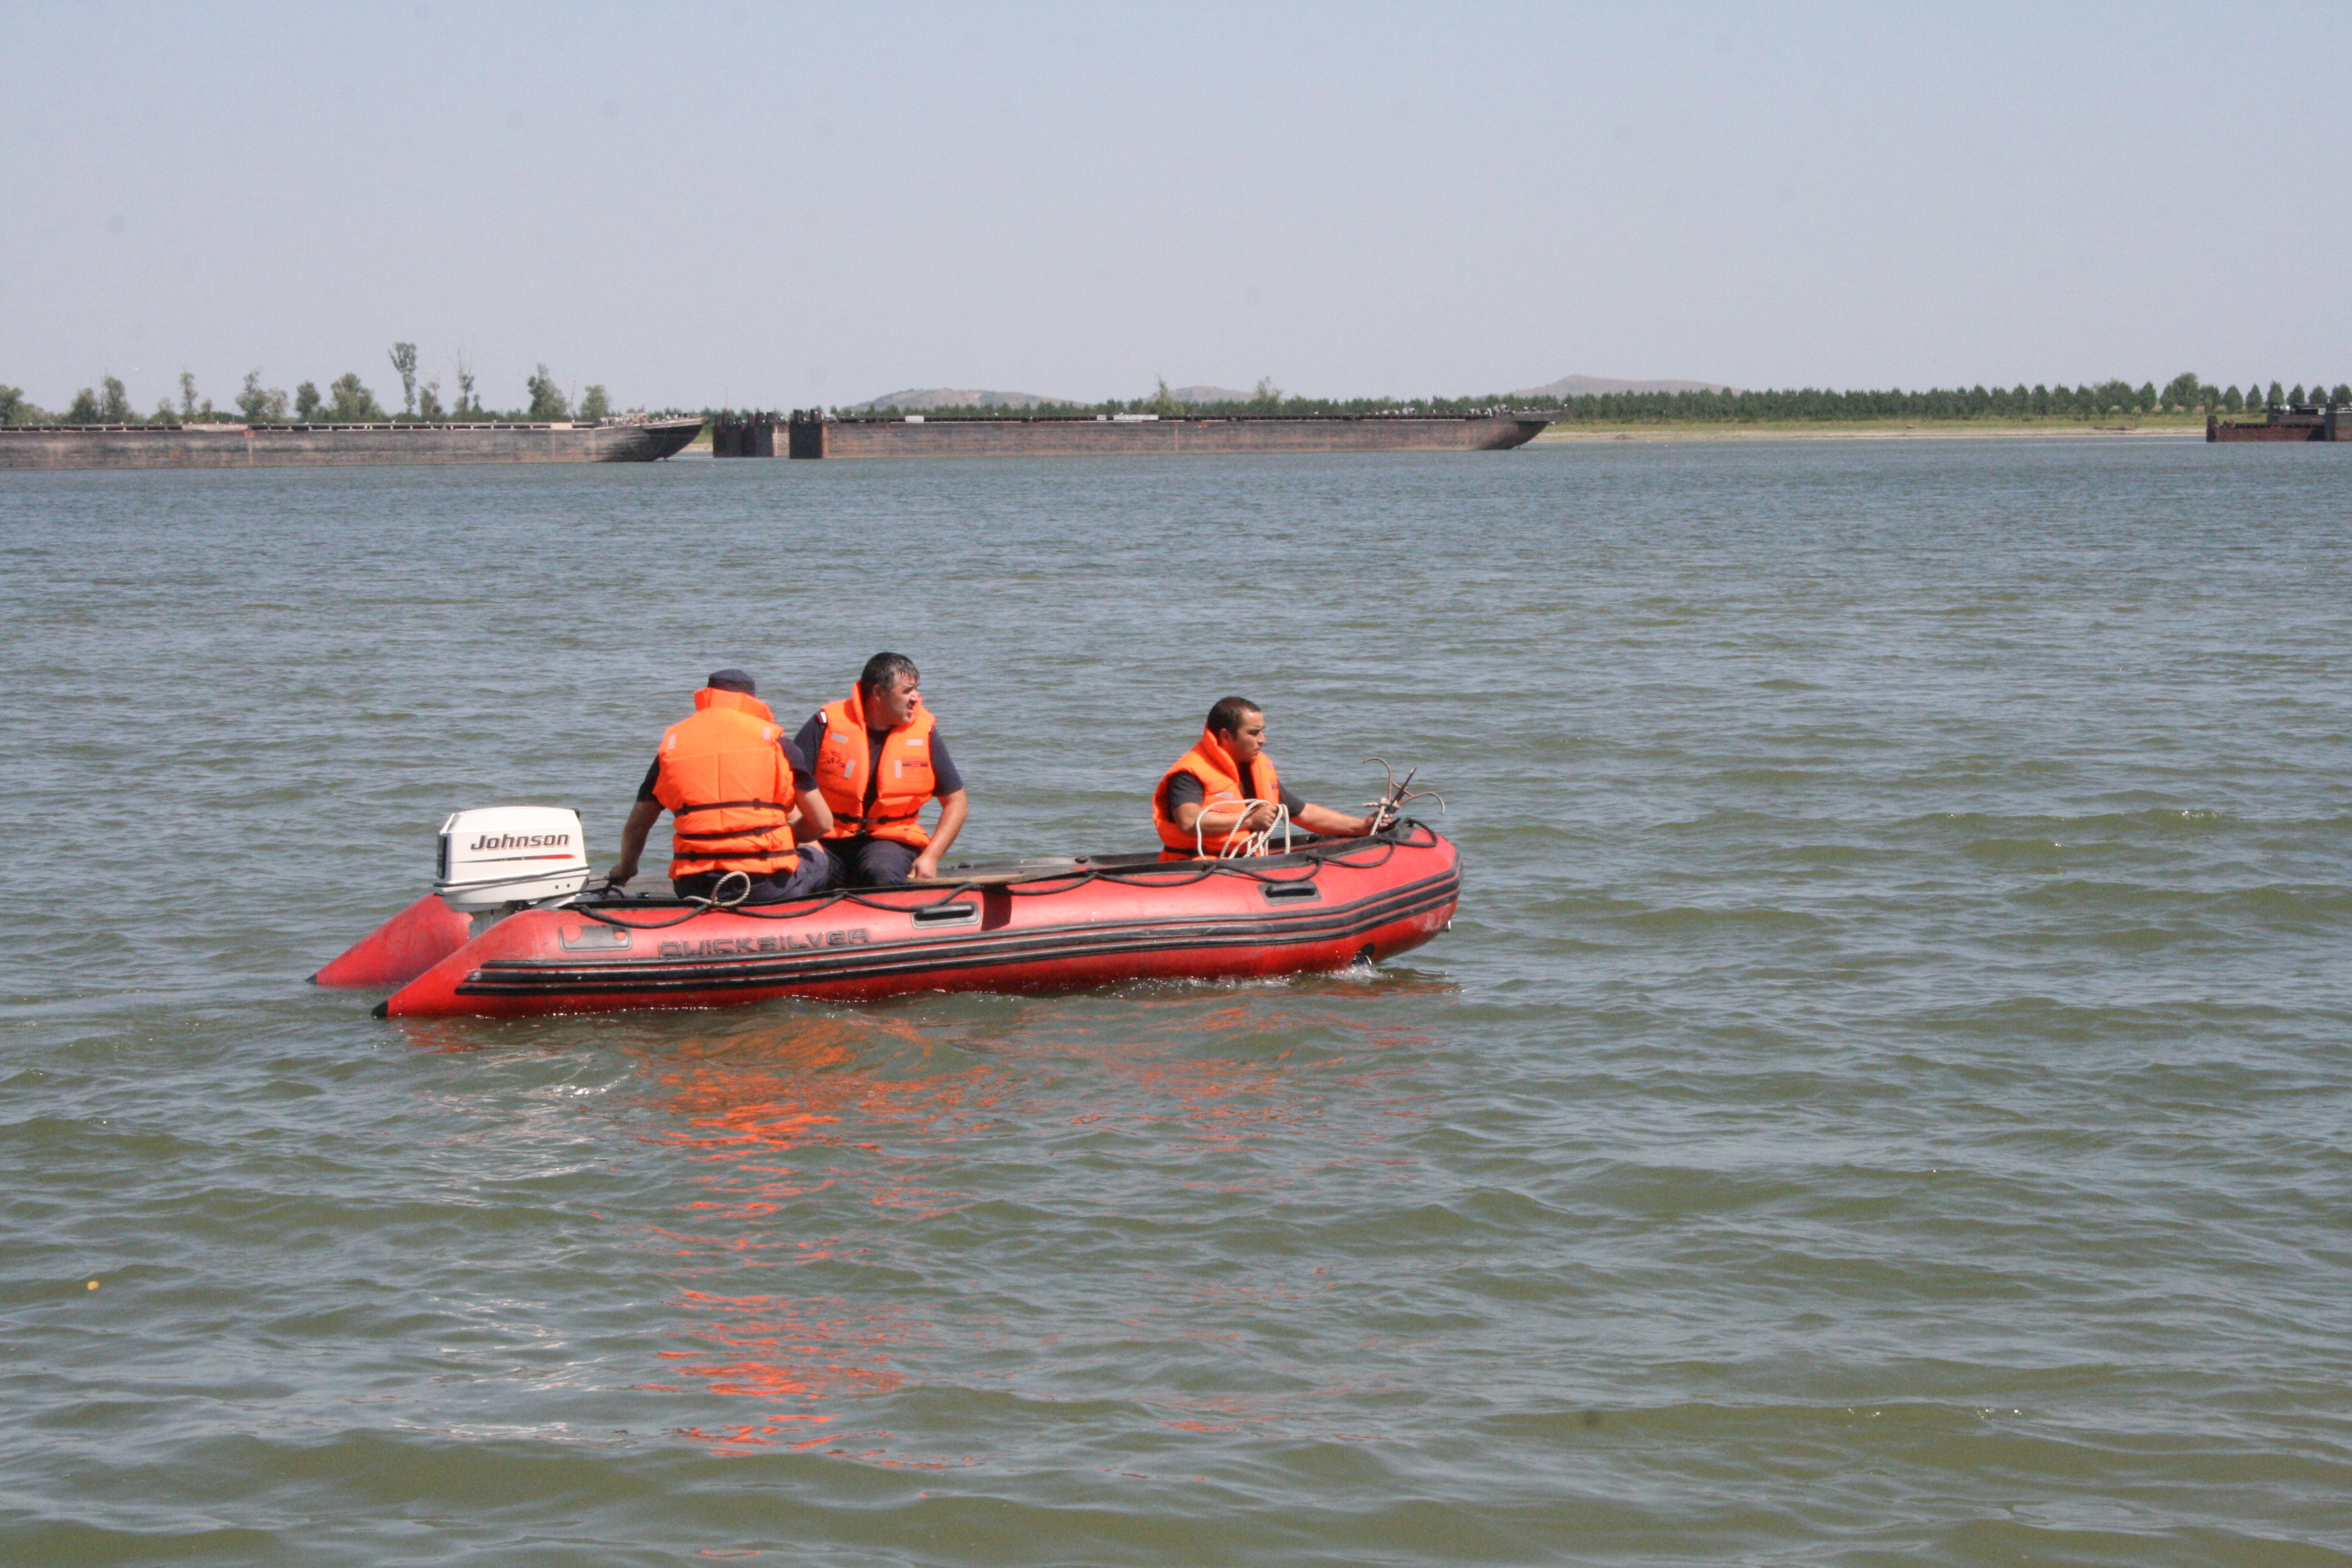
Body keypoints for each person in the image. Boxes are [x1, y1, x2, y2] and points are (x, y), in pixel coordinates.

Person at [606, 669, 835, 902]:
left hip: (695, 886)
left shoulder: (673, 748)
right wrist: (788, 840)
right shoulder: (779, 745)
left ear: (707, 696)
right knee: (815, 849)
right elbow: (823, 822)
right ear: (752, 701)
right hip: (765, 886)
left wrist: (627, 869)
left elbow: (637, 826)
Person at [794, 652, 969, 886]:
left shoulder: (925, 732)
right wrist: (806, 838)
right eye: (907, 691)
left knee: (881, 872)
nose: (916, 698)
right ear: (878, 693)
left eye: (916, 689)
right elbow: (785, 790)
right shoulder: (825, 724)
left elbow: (957, 803)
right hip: (826, 836)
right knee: (810, 874)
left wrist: (931, 856)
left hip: (890, 839)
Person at [1152, 696, 1373, 860]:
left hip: (1245, 864)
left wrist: (1361, 826)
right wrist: (1250, 820)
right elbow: (1189, 822)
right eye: (1253, 733)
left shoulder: (1258, 767)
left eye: (1262, 731)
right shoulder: (1189, 772)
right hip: (1196, 866)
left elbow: (1302, 813)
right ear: (1226, 736)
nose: (1262, 740)